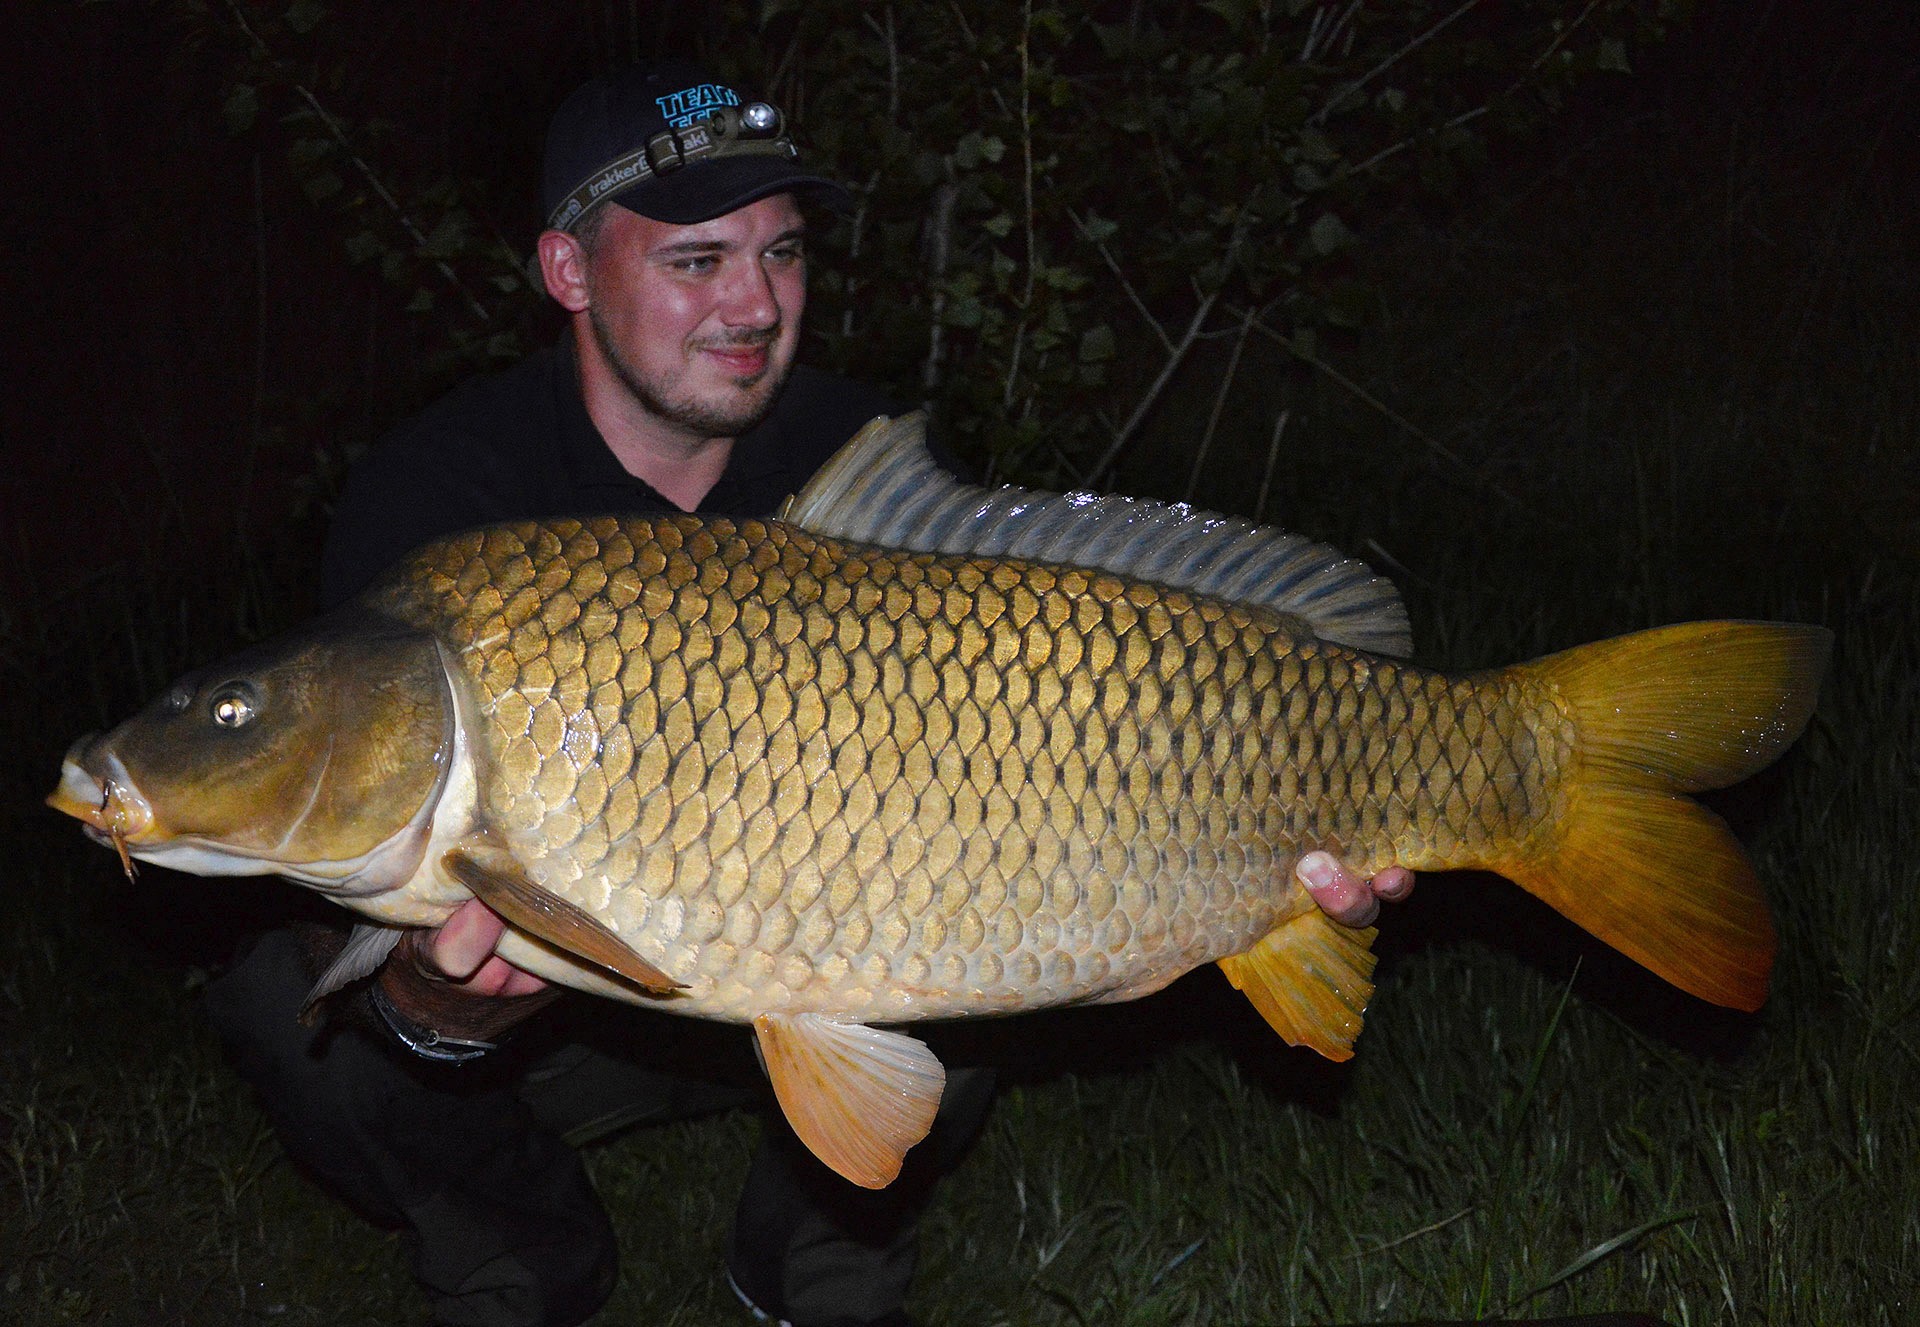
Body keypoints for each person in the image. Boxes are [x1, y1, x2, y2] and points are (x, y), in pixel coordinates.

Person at [204, 58, 1413, 1327]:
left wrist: (1271, 845)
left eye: (782, 254)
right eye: (696, 263)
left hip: (846, 950)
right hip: (560, 1028)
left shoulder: (856, 462)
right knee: (286, 1002)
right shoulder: (441, 494)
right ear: (567, 272)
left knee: (984, 902)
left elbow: (1078, 710)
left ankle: (818, 1258)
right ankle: (524, 1251)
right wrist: (436, 1007)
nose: (756, 305)